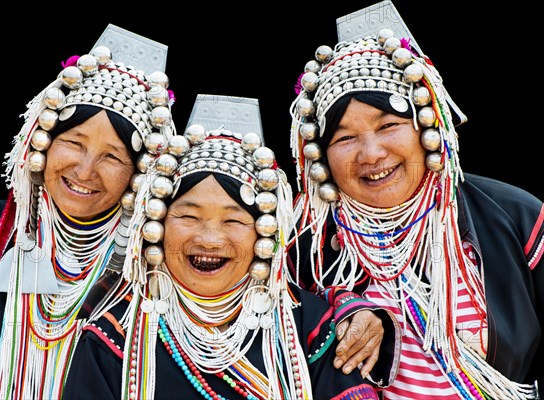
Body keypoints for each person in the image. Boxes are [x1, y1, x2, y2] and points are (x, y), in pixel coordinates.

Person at [287, 1, 543, 399]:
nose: (370, 154)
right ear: (321, 156)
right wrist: (344, 305)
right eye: (345, 138)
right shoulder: (307, 251)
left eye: (388, 125)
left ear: (428, 124)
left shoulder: (514, 216)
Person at [61, 111, 397, 399]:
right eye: (189, 216)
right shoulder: (116, 339)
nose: (209, 239)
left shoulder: (311, 329)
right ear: (157, 226)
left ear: (264, 233)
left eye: (233, 220)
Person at [0, 36, 176, 399]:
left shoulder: (147, 267)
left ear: (139, 173)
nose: (85, 170)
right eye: (74, 143)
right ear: (42, 142)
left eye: (112, 157)